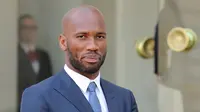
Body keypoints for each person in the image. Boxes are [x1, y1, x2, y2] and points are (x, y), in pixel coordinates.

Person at [20, 5, 138, 112]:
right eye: (82, 37)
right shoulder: (39, 96)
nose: (93, 46)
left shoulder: (124, 98)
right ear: (63, 42)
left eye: (100, 36)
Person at [18, 14, 52, 111]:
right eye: (26, 28)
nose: (30, 31)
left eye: (33, 28)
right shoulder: (14, 55)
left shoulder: (44, 55)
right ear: (19, 30)